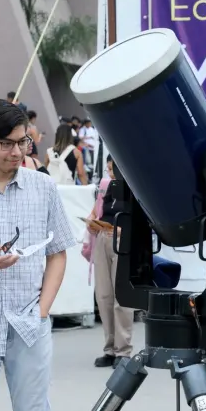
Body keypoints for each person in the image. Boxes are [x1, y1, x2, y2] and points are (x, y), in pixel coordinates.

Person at [0, 99, 75, 411]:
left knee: (34, 408)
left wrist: (42, 311)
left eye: (22, 142)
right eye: (7, 144)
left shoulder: (43, 187)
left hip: (29, 326)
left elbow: (57, 253)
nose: (17, 152)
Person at [89, 156, 135, 369]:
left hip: (123, 239)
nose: (110, 173)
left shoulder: (135, 185)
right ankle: (109, 347)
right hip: (103, 237)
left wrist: (124, 230)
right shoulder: (107, 187)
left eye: (112, 168)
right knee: (104, 294)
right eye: (107, 169)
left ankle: (123, 349)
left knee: (122, 297)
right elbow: (98, 211)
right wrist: (92, 224)